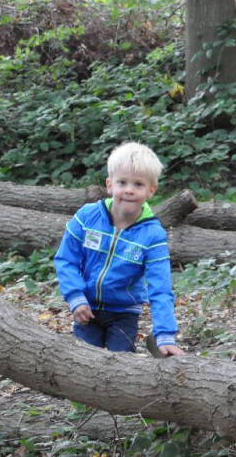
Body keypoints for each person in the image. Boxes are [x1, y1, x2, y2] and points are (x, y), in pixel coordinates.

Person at [54, 142, 184, 357]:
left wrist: (165, 334)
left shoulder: (152, 235)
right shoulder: (88, 217)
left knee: (120, 364)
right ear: (110, 184)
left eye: (138, 184)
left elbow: (160, 287)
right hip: (87, 308)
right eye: (122, 182)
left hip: (124, 313)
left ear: (151, 189)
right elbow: (66, 259)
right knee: (84, 361)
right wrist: (75, 297)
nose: (129, 190)